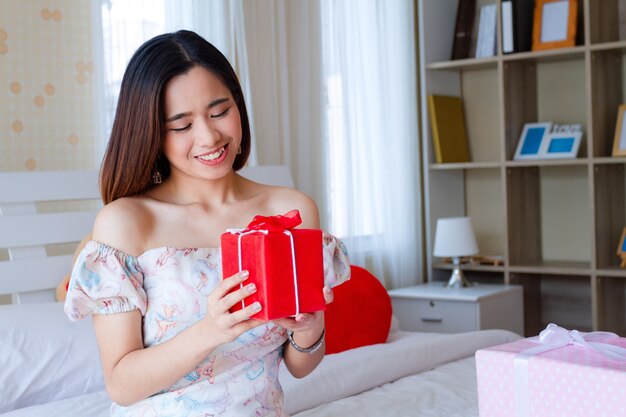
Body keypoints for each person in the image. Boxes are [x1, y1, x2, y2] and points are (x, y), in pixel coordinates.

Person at [64, 30, 350, 417]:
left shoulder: (291, 211)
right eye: (181, 125)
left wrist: (310, 330)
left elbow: (299, 366)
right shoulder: (127, 222)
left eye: (220, 112)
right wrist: (212, 329)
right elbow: (121, 384)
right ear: (151, 131)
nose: (210, 136)